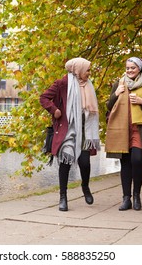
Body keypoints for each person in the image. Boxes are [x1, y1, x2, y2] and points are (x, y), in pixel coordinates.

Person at [40, 57, 101, 211]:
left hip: (85, 130)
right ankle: (63, 197)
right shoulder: (63, 83)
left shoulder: (89, 85)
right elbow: (44, 97)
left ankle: (85, 186)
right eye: (87, 69)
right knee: (65, 164)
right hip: (68, 129)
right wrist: (55, 110)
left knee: (85, 163)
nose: (89, 73)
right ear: (78, 69)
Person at [106, 57, 142, 211]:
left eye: (132, 68)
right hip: (122, 129)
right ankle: (126, 198)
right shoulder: (119, 84)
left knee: (137, 160)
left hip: (139, 129)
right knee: (125, 163)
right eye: (127, 68)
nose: (129, 71)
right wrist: (116, 94)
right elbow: (109, 106)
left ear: (140, 69)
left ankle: (137, 195)